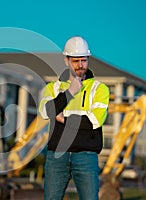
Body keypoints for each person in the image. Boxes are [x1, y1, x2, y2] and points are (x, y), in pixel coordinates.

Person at [39, 36, 110, 200]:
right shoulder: (53, 87)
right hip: (57, 155)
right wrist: (70, 92)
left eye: (83, 61)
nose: (80, 65)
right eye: (75, 61)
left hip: (86, 156)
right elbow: (45, 112)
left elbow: (94, 121)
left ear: (88, 60)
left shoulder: (100, 89)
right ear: (66, 60)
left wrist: (64, 118)